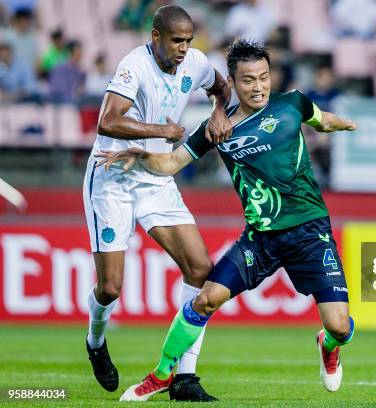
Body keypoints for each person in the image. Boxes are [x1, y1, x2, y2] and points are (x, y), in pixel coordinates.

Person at [96, 39, 358, 402]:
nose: (259, 86)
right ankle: (161, 375)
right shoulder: (217, 128)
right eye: (249, 80)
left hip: (310, 232)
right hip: (260, 239)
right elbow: (171, 164)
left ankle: (328, 344)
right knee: (205, 300)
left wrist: (341, 124)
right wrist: (141, 155)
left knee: (340, 326)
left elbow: (321, 120)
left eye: (264, 77)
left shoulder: (292, 103)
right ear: (233, 82)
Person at [83, 5, 232, 402]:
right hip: (112, 178)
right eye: (176, 41)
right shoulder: (134, 65)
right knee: (111, 288)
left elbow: (223, 87)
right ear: (156, 38)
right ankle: (96, 340)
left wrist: (219, 112)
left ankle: (185, 377)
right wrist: (160, 130)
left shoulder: (196, 63)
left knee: (200, 268)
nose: (184, 48)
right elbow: (108, 121)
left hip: (156, 177)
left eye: (188, 40)